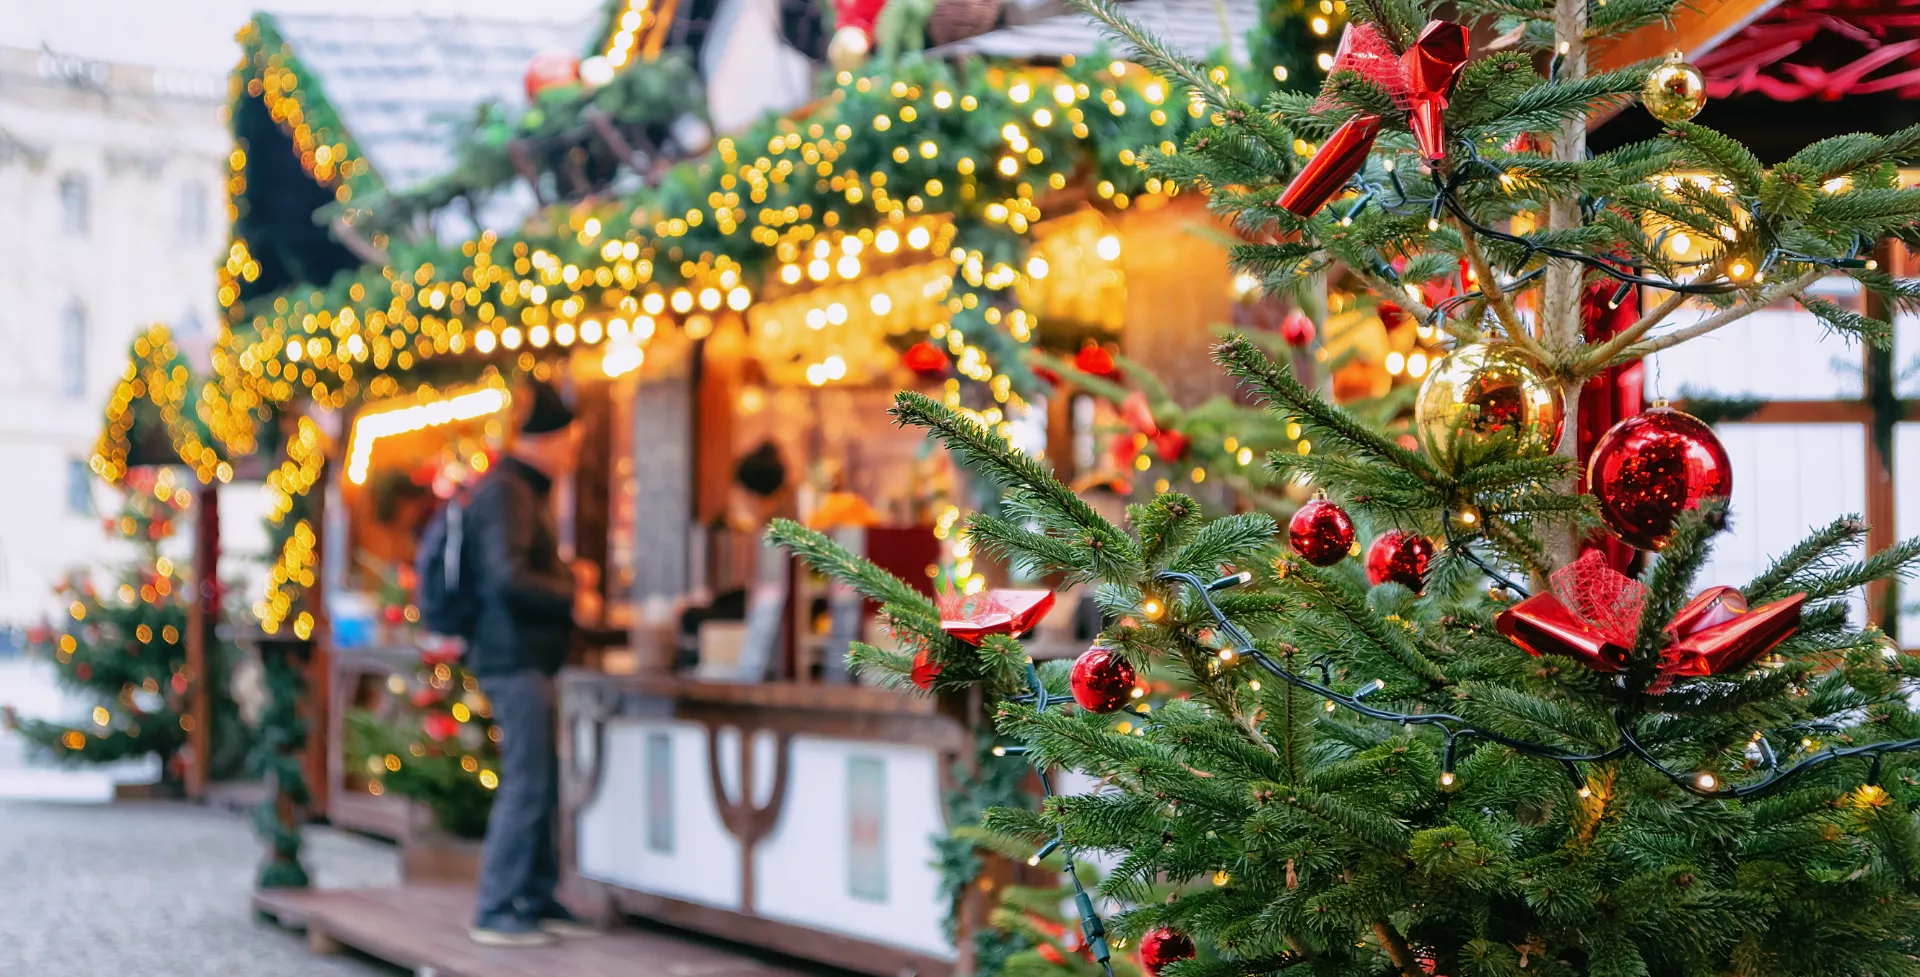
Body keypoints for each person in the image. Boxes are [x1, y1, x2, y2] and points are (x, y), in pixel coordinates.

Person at [464, 377, 596, 946]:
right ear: (545, 440)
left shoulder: (520, 491)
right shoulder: (508, 492)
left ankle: (536, 896)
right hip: (512, 658)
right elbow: (507, 577)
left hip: (527, 658)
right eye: (569, 443)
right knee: (527, 781)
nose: (572, 455)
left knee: (540, 779)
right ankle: (497, 906)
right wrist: (572, 594)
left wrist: (565, 577)